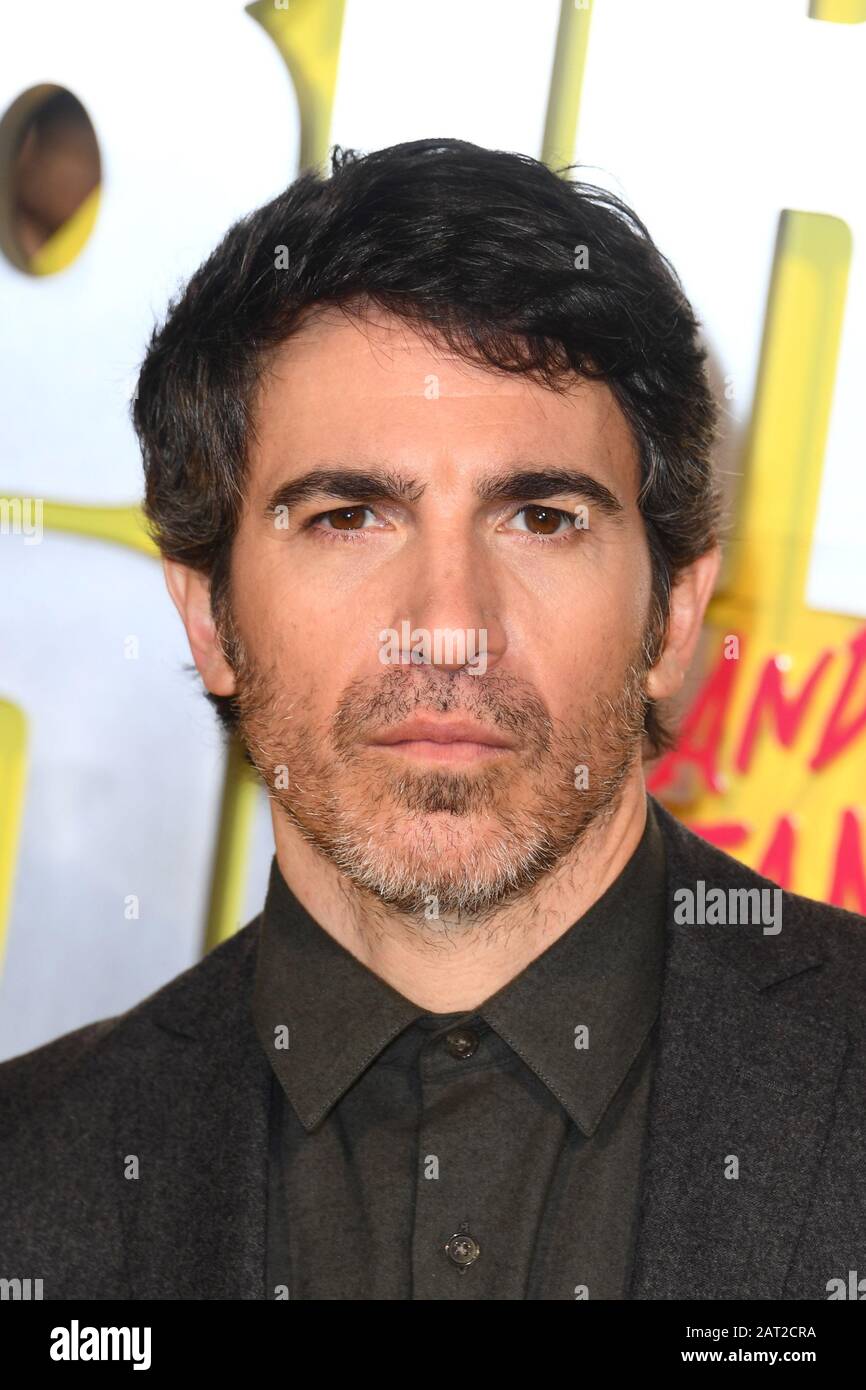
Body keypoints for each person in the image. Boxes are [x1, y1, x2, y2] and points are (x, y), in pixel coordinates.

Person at [1, 138, 864, 1301]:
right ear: (208, 615)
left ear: (670, 618)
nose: (448, 629)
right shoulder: (27, 1178)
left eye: (542, 518)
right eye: (350, 516)